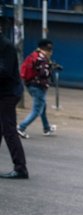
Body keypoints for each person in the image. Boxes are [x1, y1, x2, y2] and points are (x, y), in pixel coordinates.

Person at [0, 25, 28, 179]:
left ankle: (20, 168)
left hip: (8, 94)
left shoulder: (6, 46)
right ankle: (20, 166)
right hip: (3, 92)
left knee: (9, 130)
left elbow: (5, 71)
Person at [17, 39, 56, 139]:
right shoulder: (42, 59)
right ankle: (21, 127)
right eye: (49, 50)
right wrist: (50, 69)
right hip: (38, 86)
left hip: (30, 85)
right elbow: (43, 73)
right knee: (37, 110)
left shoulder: (34, 55)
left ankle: (46, 128)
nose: (51, 52)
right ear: (44, 49)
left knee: (42, 106)